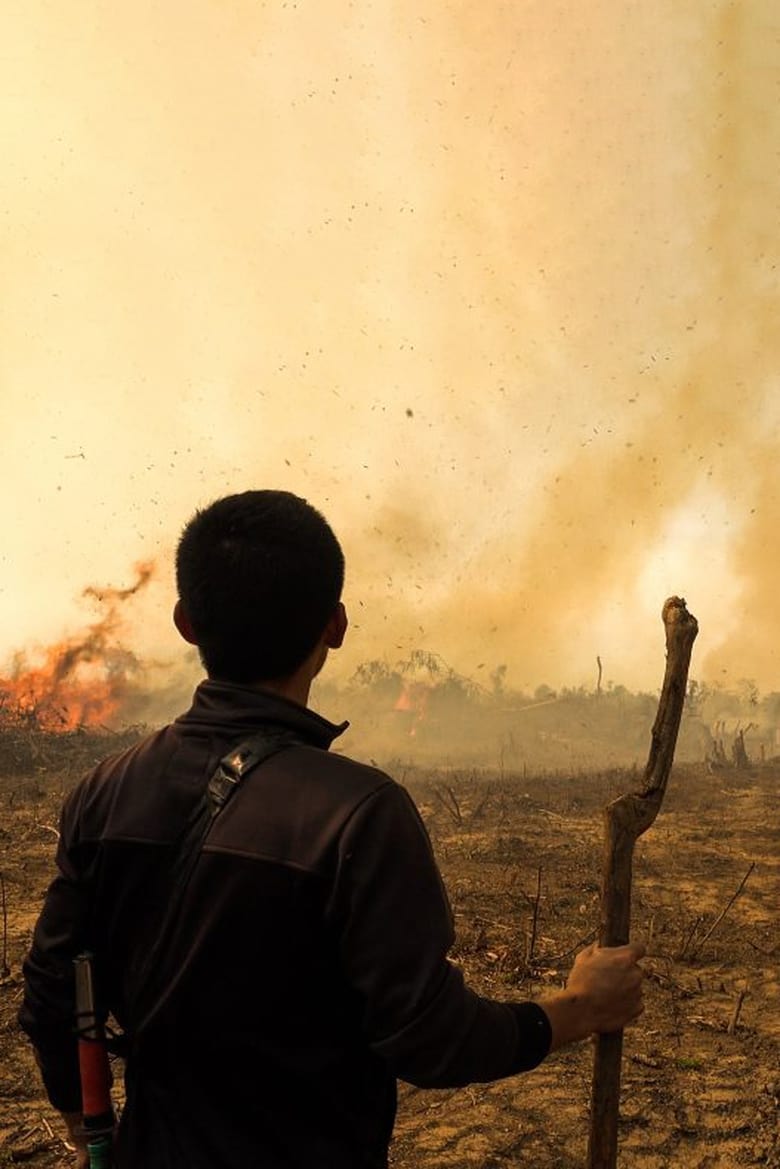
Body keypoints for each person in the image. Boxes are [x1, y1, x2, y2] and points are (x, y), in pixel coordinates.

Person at [19, 489, 645, 1169]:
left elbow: (53, 985)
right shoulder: (358, 814)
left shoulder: (104, 790)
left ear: (186, 621)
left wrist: (84, 1118)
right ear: (336, 625)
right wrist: (578, 1007)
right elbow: (431, 1037)